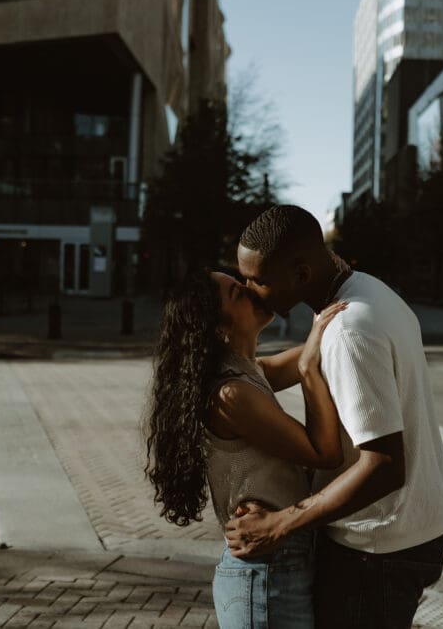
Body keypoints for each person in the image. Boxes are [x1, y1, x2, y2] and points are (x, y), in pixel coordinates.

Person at [228, 204, 443, 629]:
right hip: (410, 531)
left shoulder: (349, 330)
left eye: (257, 279)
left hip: (376, 550)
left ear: (300, 274)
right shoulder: (366, 293)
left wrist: (280, 525)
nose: (249, 289)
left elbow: (384, 466)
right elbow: (271, 371)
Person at [144, 267, 347, 628]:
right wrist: (309, 371)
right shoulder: (231, 395)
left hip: (276, 564)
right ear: (219, 328)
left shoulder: (247, 371)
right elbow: (325, 452)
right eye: (239, 293)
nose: (254, 291)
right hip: (267, 574)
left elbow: (323, 346)